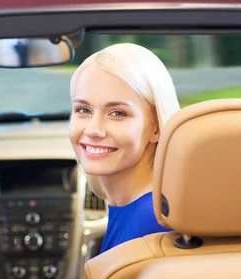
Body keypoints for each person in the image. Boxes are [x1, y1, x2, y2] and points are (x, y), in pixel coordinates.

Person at [69, 43, 181, 253]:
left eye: (118, 113)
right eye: (83, 109)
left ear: (156, 127)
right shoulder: (138, 207)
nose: (93, 130)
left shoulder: (153, 224)